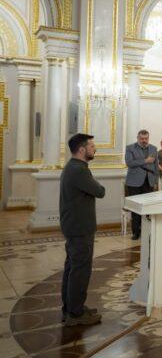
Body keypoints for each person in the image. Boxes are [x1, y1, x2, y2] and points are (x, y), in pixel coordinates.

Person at [60, 133, 105, 327]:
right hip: (80, 226)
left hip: (74, 225)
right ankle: (76, 315)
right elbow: (100, 191)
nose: (95, 149)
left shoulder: (73, 167)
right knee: (80, 269)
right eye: (92, 146)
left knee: (72, 267)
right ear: (81, 149)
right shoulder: (79, 170)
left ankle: (71, 308)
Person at [124, 130, 159, 240]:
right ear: (138, 138)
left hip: (148, 181)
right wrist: (145, 160)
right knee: (136, 208)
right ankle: (136, 232)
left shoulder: (153, 148)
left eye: (146, 139)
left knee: (147, 208)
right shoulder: (130, 148)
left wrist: (156, 181)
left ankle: (146, 231)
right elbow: (129, 163)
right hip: (134, 182)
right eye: (142, 139)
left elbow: (156, 165)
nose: (144, 141)